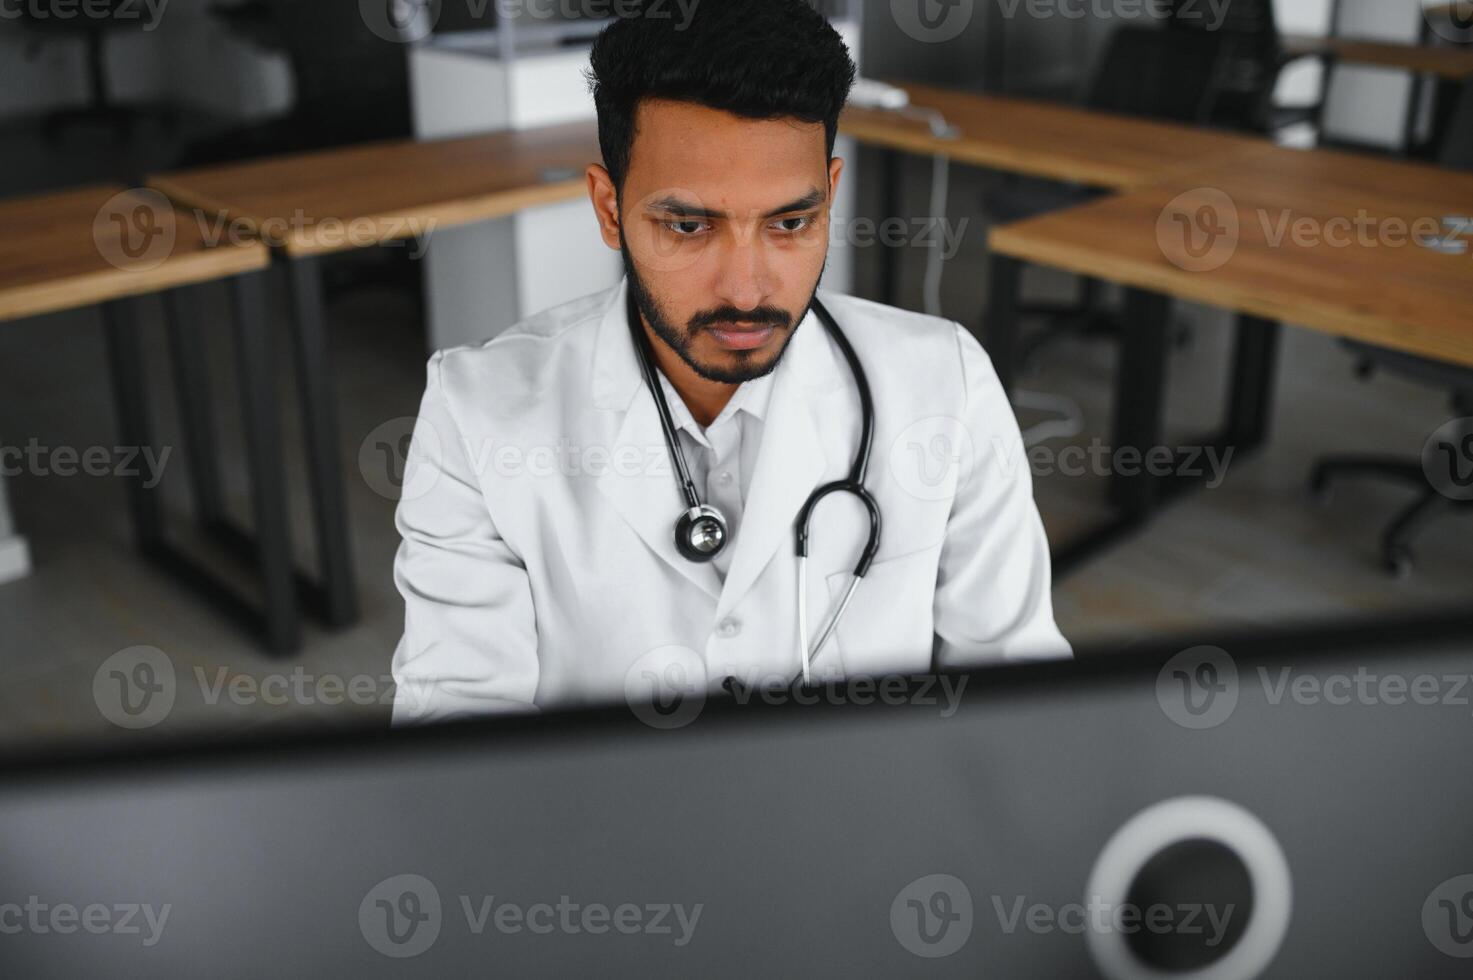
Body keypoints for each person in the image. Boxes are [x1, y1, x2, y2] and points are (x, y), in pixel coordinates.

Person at [390, 0, 1069, 724]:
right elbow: (453, 741)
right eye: (687, 226)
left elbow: (1018, 697)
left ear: (831, 199)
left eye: (789, 223)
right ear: (609, 208)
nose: (746, 289)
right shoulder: (476, 414)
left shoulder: (944, 386)